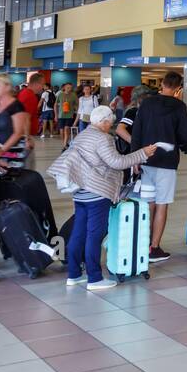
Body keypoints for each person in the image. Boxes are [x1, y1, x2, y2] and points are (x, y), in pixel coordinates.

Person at [55, 106, 155, 290]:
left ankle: (74, 274)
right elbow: (117, 162)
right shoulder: (103, 138)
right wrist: (143, 154)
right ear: (104, 122)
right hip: (96, 192)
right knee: (95, 234)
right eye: (110, 121)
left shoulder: (82, 135)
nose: (110, 125)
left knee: (79, 232)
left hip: (80, 191)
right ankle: (94, 278)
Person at [125, 70, 187, 262]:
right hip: (167, 162)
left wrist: (136, 157)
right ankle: (154, 248)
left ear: (162, 83)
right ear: (179, 88)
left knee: (148, 203)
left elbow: (136, 131)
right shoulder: (179, 106)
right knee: (162, 203)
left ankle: (141, 242)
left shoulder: (146, 103)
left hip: (146, 159)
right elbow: (184, 137)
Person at [18, 73, 45, 144]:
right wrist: (27, 139)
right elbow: (25, 118)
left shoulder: (24, 93)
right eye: (42, 84)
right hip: (24, 136)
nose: (43, 87)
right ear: (36, 84)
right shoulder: (30, 96)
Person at [58, 82, 77, 146]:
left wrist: (75, 109)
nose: (69, 89)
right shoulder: (60, 95)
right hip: (61, 115)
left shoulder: (73, 95)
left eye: (70, 88)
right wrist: (55, 114)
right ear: (64, 88)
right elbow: (55, 104)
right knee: (61, 131)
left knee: (66, 129)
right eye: (68, 88)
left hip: (69, 115)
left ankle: (64, 145)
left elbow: (77, 104)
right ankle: (65, 142)